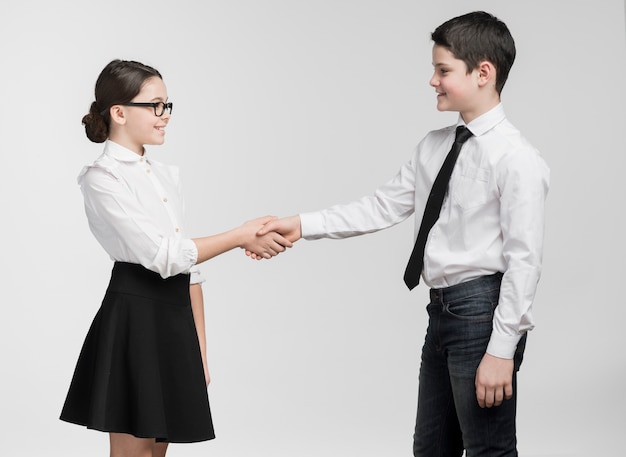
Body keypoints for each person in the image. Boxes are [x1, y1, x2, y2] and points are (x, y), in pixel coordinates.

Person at [253, 11, 550, 457]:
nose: (432, 80)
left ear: (483, 72)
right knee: (430, 448)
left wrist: (502, 349)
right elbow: (379, 206)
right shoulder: (434, 145)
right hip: (442, 312)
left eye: (443, 70)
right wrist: (300, 225)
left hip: (482, 312)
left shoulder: (516, 159)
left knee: (489, 449)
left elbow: (525, 261)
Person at [60, 59, 292, 457]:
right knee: (134, 453)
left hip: (174, 319)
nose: (164, 116)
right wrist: (240, 235)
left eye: (167, 105)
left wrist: (199, 351)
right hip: (134, 317)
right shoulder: (103, 178)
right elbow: (164, 257)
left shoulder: (166, 175)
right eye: (155, 106)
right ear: (119, 112)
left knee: (160, 452)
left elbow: (189, 269)